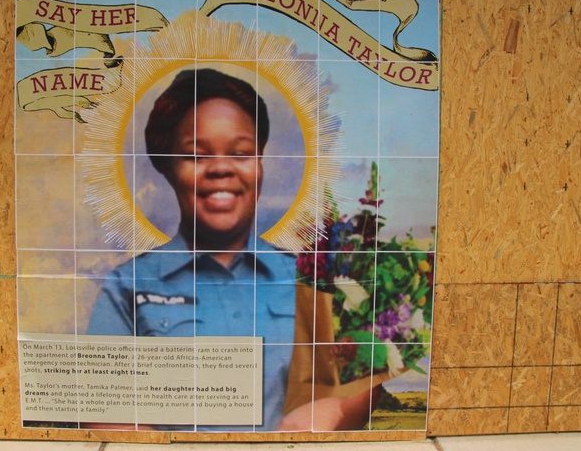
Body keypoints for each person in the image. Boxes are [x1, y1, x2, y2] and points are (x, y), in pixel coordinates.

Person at [86, 67, 379, 432]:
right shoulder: (127, 285)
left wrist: (335, 412)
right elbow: (104, 410)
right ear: (167, 167)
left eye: (241, 153)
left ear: (260, 165)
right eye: (196, 155)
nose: (221, 168)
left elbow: (366, 379)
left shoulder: (310, 278)